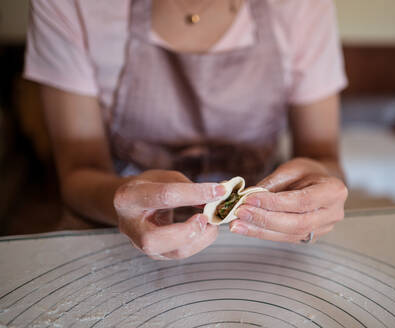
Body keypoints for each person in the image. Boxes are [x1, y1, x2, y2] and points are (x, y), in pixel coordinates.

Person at [24, 0, 348, 260]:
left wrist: (315, 196)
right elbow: (79, 171)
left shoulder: (302, 6)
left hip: (262, 244)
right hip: (118, 236)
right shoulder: (70, 5)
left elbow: (324, 158)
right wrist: (123, 203)